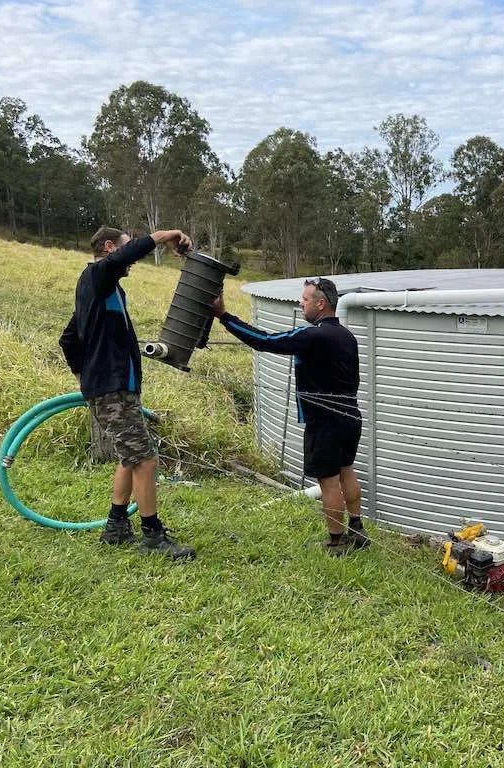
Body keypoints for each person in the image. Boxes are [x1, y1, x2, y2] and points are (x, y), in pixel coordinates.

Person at [59, 226, 196, 560]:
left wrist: (85, 371)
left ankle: (116, 527)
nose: (129, 259)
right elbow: (128, 254)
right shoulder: (97, 275)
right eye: (122, 248)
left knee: (130, 456)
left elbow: (68, 337)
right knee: (146, 459)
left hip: (117, 386)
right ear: (109, 248)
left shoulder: (107, 291)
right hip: (111, 387)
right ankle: (152, 537)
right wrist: (169, 235)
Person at [211, 277, 367, 556]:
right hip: (350, 418)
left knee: (328, 480)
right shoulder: (346, 336)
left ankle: (336, 541)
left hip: (325, 422)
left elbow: (265, 341)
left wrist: (224, 316)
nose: (301, 303)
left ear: (321, 304)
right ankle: (357, 531)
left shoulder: (314, 336)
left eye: (305, 299)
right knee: (346, 471)